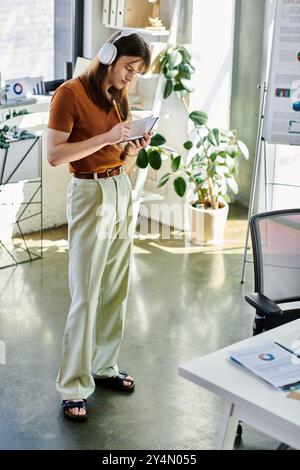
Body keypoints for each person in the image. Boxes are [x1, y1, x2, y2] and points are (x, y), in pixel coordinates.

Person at [47, 30, 152, 420]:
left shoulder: (118, 97)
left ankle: (104, 367)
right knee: (87, 293)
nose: (131, 77)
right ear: (109, 55)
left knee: (115, 288)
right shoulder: (69, 94)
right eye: (129, 67)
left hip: (118, 188)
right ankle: (73, 386)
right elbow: (55, 155)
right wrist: (107, 136)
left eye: (137, 72)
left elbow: (118, 158)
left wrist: (130, 148)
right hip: (89, 193)